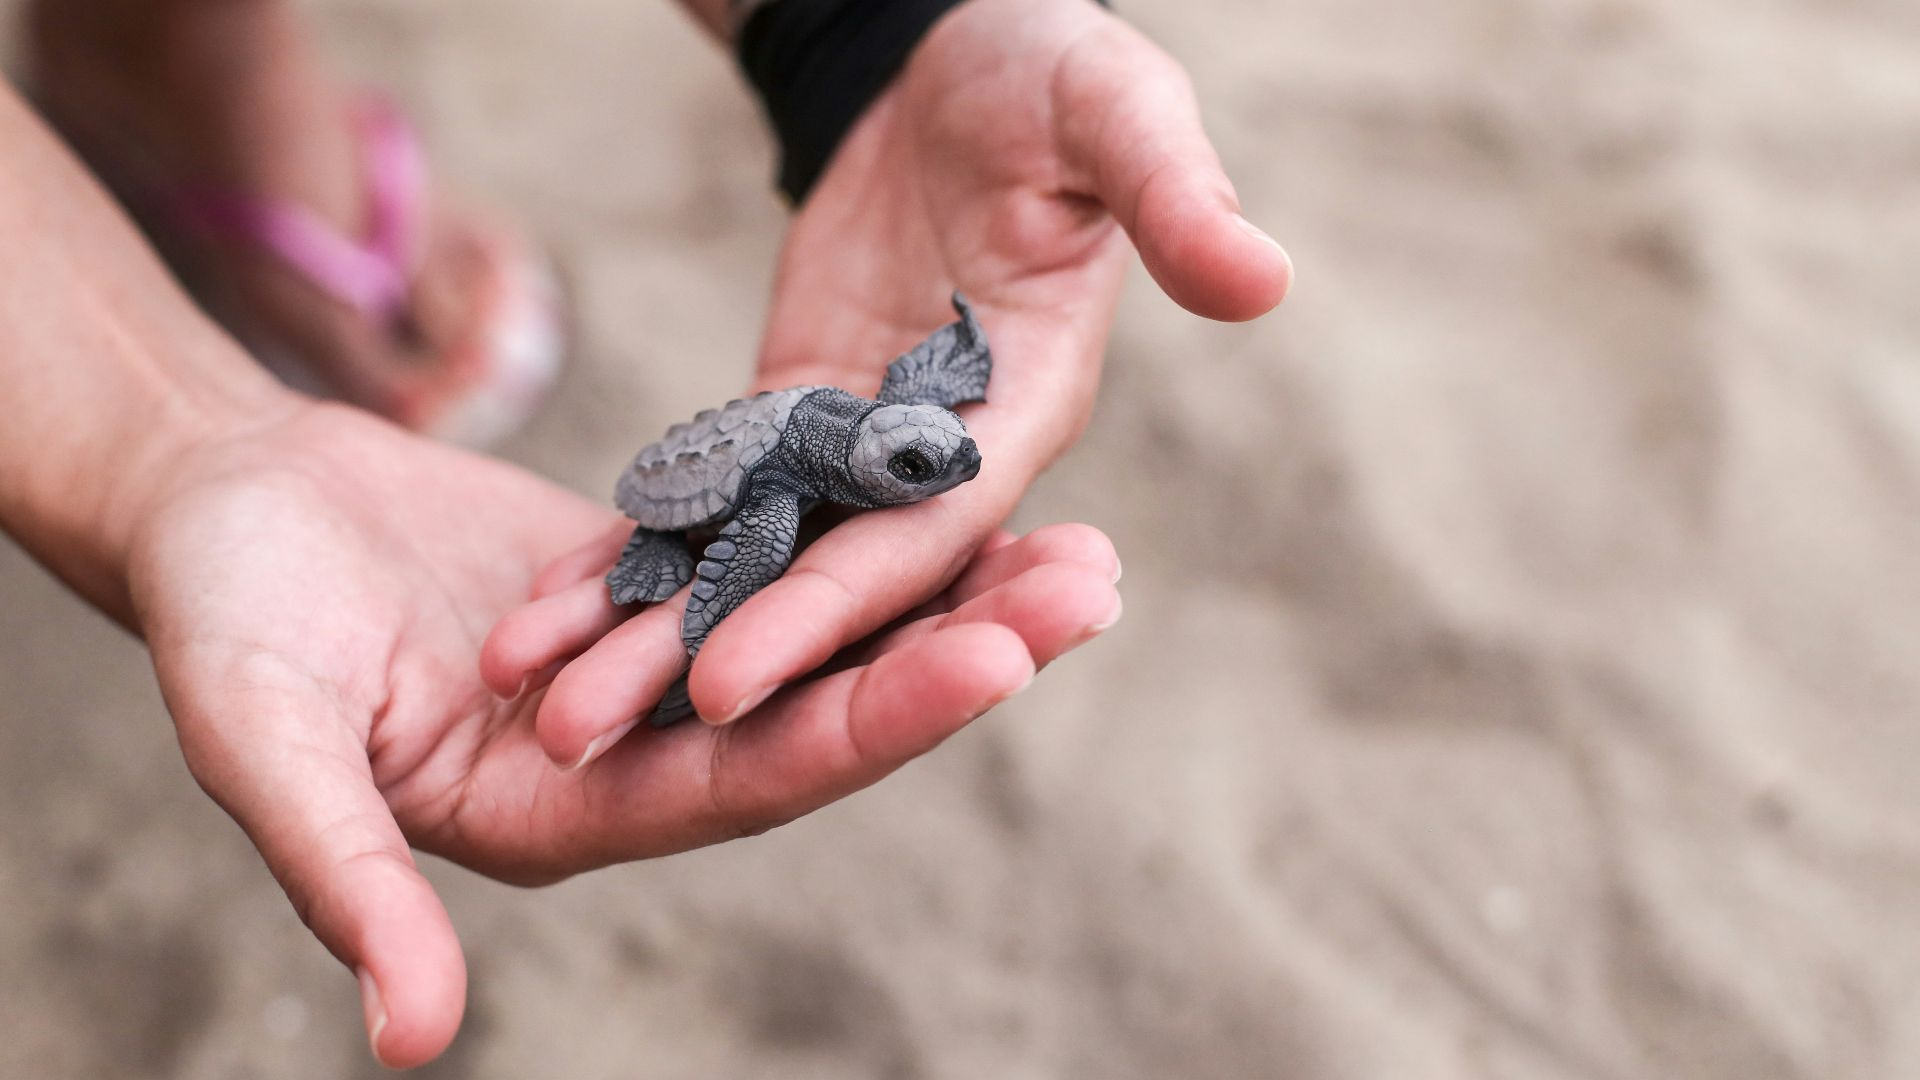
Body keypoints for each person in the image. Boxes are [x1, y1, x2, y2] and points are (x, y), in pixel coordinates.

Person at [0, 0, 1290, 1067]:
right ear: (860, 461)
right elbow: (741, 558)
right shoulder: (781, 491)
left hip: (766, 431)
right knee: (691, 588)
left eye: (933, 458)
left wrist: (867, 30)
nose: (944, 469)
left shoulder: (883, 417)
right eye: (922, 463)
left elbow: (926, 406)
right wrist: (158, 445)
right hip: (685, 483)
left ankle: (158, 79)